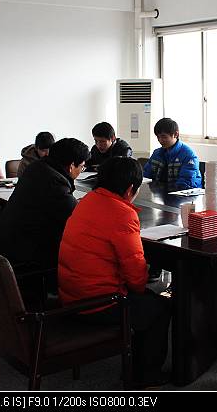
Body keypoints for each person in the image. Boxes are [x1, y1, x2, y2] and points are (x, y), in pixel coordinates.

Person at [59, 156, 171, 388]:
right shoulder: (122, 213)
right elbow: (136, 275)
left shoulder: (87, 200)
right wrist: (141, 288)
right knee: (158, 307)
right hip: (98, 303)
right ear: (131, 189)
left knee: (146, 300)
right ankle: (145, 375)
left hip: (70, 293)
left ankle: (135, 361)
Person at [0, 137, 90, 291]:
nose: (81, 171)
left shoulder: (37, 167)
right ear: (71, 166)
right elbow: (77, 218)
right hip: (27, 255)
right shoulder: (55, 182)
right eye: (82, 167)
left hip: (9, 244)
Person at [142, 117, 201, 191]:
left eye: (164, 137)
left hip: (184, 195)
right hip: (161, 193)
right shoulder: (157, 153)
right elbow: (146, 176)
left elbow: (186, 183)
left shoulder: (188, 155)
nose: (160, 140)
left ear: (175, 134)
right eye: (158, 137)